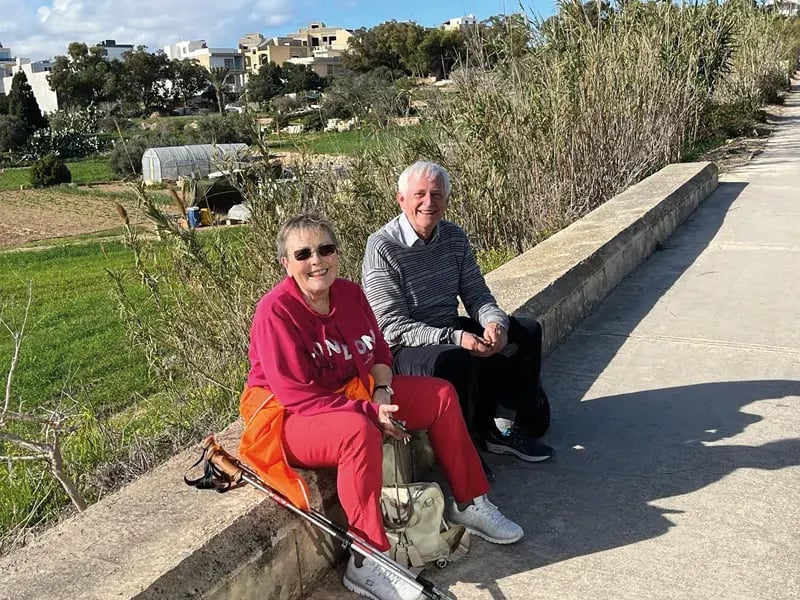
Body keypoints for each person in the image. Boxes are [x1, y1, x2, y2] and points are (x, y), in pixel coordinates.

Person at [240, 213, 524, 600]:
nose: (316, 261)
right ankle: (367, 556)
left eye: (326, 249)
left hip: (355, 393)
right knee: (358, 432)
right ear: (286, 264)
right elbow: (297, 396)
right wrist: (369, 413)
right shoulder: (276, 312)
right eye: (303, 253)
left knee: (440, 395)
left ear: (337, 254)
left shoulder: (352, 295)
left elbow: (378, 352)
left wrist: (383, 393)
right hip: (291, 418)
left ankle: (470, 502)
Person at [362, 161, 554, 465]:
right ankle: (469, 449)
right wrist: (456, 337)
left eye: (437, 195)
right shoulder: (382, 247)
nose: (428, 203)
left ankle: (516, 423)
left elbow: (477, 294)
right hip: (405, 347)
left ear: (446, 201)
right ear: (401, 200)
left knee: (527, 331)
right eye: (419, 195)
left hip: (448, 327)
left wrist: (494, 323)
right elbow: (391, 326)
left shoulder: (453, 237)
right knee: (455, 359)